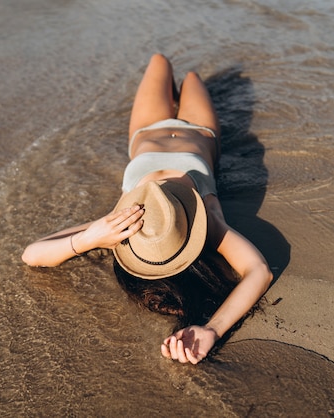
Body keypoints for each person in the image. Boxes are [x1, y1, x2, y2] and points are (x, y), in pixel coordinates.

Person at [22, 54, 273, 365]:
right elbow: (258, 271)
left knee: (159, 61)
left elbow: (32, 254)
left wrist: (88, 238)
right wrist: (212, 329)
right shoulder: (205, 221)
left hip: (146, 129)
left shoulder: (121, 228)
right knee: (193, 78)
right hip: (201, 130)